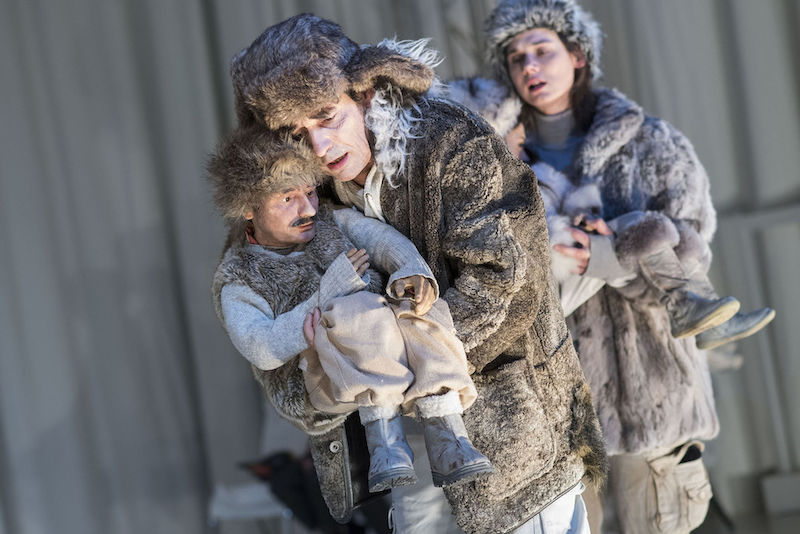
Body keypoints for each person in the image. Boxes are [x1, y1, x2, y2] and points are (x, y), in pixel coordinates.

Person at [223, 12, 606, 534]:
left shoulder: (450, 142)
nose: (318, 147)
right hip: (399, 446)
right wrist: (326, 381)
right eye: (295, 133)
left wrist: (388, 358)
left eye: (326, 116)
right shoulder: (296, 200)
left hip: (508, 420)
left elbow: (504, 285)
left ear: (363, 92)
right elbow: (276, 349)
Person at [445, 0, 774, 532]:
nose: (529, 66)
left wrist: (605, 258)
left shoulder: (653, 144)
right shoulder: (494, 163)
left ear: (577, 55)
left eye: (543, 50)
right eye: (515, 57)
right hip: (557, 410)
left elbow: (689, 275)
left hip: (656, 394)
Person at [209, 129, 493, 494]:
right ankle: (386, 444)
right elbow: (261, 349)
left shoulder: (330, 220)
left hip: (385, 346)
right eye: (288, 198)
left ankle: (448, 433)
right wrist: (327, 295)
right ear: (248, 208)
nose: (308, 208)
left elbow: (381, 240)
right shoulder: (238, 277)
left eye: (310, 192)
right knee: (354, 309)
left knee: (421, 305)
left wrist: (411, 271)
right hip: (318, 377)